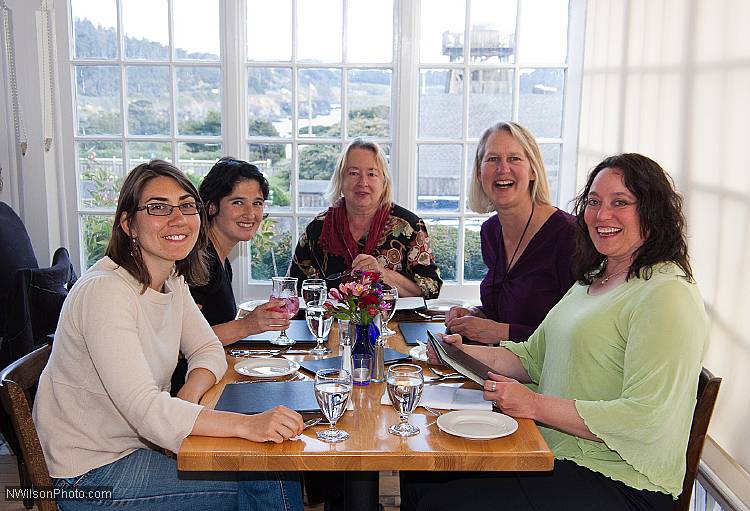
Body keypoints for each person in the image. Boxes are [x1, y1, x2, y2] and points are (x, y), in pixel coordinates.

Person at [403, 153, 709, 511]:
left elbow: (646, 418)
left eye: (620, 203)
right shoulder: (594, 278)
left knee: (441, 504)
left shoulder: (666, 294)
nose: (602, 215)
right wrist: (459, 352)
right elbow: (532, 357)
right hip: (554, 453)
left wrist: (534, 404)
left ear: (653, 213)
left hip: (621, 481)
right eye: (593, 202)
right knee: (419, 477)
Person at [33, 160, 304, 510]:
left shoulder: (170, 278)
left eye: (186, 206)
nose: (177, 219)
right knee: (268, 478)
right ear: (128, 224)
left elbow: (207, 347)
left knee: (268, 467)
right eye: (159, 208)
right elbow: (146, 409)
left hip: (134, 446)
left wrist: (189, 394)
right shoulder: (106, 292)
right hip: (89, 473)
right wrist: (246, 426)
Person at [444, 121, 576, 343]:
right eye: (492, 159)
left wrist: (502, 332)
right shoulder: (490, 231)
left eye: (514, 158)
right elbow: (506, 312)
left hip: (544, 374)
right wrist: (476, 315)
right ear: (479, 173)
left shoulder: (569, 235)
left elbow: (575, 332)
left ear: (533, 170)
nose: (502, 169)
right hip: (499, 366)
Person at [171, 157, 291, 395]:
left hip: (209, 378)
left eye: (257, 203)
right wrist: (247, 325)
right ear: (212, 206)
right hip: (187, 391)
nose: (250, 213)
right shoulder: (198, 261)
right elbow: (181, 344)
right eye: (238, 202)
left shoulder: (220, 258)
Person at [289, 138, 442, 298]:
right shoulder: (318, 228)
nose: (363, 182)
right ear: (340, 180)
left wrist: (382, 273)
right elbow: (292, 288)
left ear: (384, 182)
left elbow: (431, 289)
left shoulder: (409, 226)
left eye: (372, 174)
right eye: (353, 173)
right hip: (330, 322)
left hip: (392, 323)